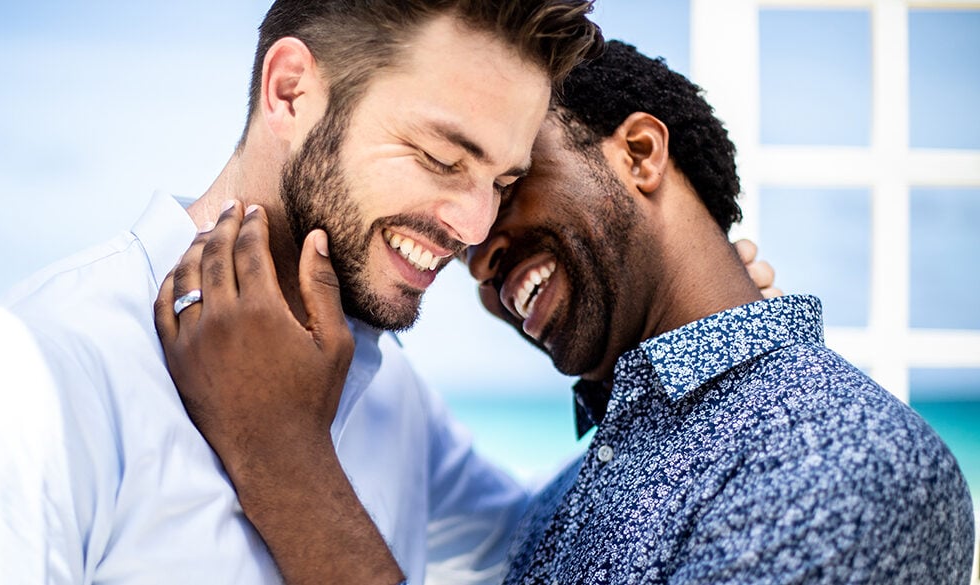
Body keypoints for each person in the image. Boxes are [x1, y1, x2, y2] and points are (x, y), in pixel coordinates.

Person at [157, 41, 975, 584]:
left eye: (510, 183)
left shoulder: (846, 465)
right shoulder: (577, 493)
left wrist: (282, 459)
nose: (476, 247)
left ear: (641, 154)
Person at [0, 2, 602, 584]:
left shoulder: (392, 395)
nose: (474, 225)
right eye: (442, 158)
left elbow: (567, 536)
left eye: (501, 183)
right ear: (289, 92)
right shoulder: (17, 385)